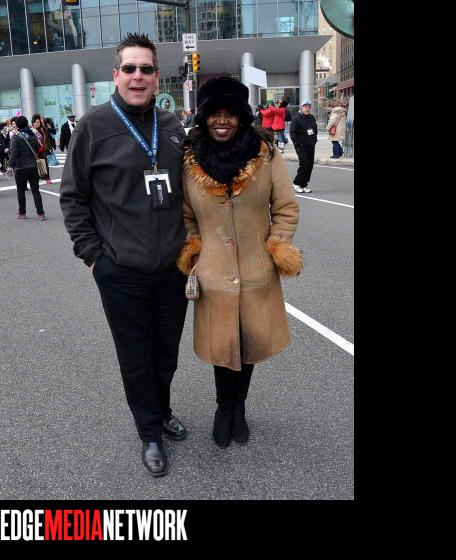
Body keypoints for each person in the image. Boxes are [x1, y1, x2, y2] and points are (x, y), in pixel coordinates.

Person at [60, 33, 189, 478]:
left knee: (166, 353)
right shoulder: (93, 127)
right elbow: (73, 197)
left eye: (146, 69)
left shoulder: (172, 127)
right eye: (129, 68)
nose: (138, 76)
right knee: (136, 357)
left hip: (172, 268)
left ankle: (162, 409)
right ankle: (149, 432)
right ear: (115, 75)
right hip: (121, 270)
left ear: (157, 76)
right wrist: (94, 257)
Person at [176, 77, 302, 448]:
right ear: (203, 117)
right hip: (213, 272)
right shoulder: (189, 159)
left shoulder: (264, 154)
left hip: (256, 269)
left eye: (230, 114)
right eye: (214, 113)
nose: (222, 121)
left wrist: (276, 245)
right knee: (223, 347)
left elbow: (285, 207)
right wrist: (195, 250)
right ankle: (223, 407)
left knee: (249, 344)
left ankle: (239, 407)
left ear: (242, 117)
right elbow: (186, 215)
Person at [8, 115, 47, 221]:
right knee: (35, 190)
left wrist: (10, 166)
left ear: (17, 125)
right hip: (33, 166)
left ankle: (22, 212)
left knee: (20, 191)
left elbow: (14, 154)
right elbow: (38, 149)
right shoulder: (33, 135)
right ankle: (41, 214)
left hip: (20, 168)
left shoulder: (15, 137)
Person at [289, 99, 318, 193]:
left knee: (310, 165)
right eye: (305, 106)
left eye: (309, 107)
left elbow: (315, 129)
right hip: (301, 145)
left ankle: (304, 184)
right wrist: (298, 143)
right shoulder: (296, 118)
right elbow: (293, 133)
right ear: (301, 107)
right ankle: (296, 183)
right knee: (305, 164)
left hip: (311, 144)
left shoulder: (311, 117)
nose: (307, 108)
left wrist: (314, 139)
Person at [31, 113, 53, 185]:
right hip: (34, 151)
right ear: (33, 123)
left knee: (45, 164)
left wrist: (50, 147)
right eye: (37, 122)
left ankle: (47, 178)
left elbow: (48, 138)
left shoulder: (42, 129)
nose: (39, 123)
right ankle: (38, 177)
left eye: (39, 122)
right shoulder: (31, 131)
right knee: (35, 165)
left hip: (43, 150)